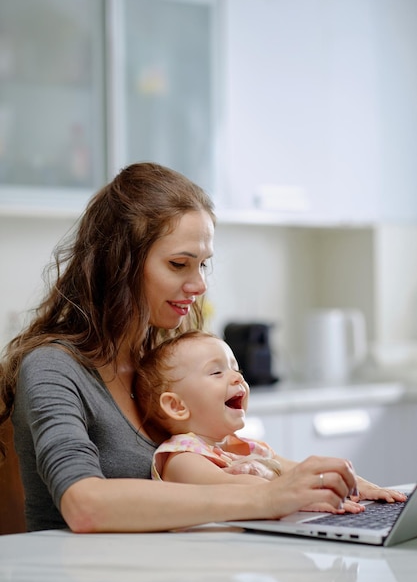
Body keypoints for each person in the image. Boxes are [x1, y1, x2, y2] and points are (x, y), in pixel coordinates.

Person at [0, 162, 399, 534]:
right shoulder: (53, 367)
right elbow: (84, 504)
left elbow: (226, 455)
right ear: (118, 264)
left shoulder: (154, 364)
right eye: (179, 264)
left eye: (203, 264)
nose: (200, 284)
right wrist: (267, 497)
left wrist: (327, 483)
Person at [134, 330, 406, 511]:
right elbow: (235, 490)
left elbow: (298, 471)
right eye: (216, 372)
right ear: (177, 406)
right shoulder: (182, 459)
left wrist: (354, 485)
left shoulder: (247, 449)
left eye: (236, 369)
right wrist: (306, 497)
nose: (237, 377)